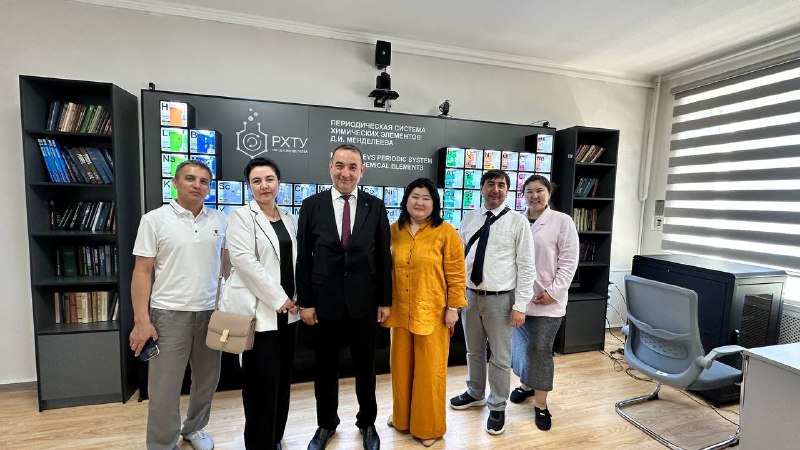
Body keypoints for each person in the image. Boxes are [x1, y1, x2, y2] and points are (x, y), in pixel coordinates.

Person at [296, 144, 392, 450]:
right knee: (325, 369)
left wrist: (385, 300)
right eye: (339, 165)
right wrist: (306, 302)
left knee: (366, 369)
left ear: (362, 170)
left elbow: (383, 258)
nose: (345, 173)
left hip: (364, 304)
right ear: (330, 167)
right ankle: (326, 424)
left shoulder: (375, 207)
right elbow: (304, 259)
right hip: (324, 304)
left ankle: (367, 423)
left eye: (352, 167)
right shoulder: (311, 206)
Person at [129, 160, 229, 450]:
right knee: (164, 387)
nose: (197, 185)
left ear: (209, 187)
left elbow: (226, 266)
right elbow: (142, 272)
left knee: (207, 380)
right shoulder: (154, 220)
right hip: (168, 314)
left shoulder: (220, 219)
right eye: (190, 178)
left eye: (204, 181)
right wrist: (142, 320)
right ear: (175, 182)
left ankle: (195, 428)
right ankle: (162, 443)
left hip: (211, 314)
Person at [449, 169, 536, 436]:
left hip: (501, 300)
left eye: (501, 185)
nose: (495, 189)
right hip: (470, 297)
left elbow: (527, 267)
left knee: (500, 356)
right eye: (490, 184)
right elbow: (460, 259)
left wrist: (520, 305)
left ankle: (497, 405)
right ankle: (475, 392)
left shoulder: (518, 222)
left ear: (507, 191)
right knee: (473, 351)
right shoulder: (470, 218)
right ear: (482, 188)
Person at [221, 157, 300, 450]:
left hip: (289, 313)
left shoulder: (290, 218)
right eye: (256, 181)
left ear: (279, 182)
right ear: (249, 186)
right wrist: (279, 299)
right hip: (259, 312)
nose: (264, 186)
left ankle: (275, 435)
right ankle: (258, 443)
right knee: (260, 383)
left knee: (282, 379)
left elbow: (296, 263)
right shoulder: (240, 217)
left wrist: (295, 300)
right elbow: (245, 263)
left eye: (269, 179)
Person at [384, 178, 466, 447]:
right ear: (406, 200)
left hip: (433, 313)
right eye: (415, 197)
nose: (419, 202)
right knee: (401, 369)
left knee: (430, 373)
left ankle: (428, 426)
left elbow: (456, 274)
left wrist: (453, 308)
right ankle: (402, 417)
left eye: (426, 198)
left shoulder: (446, 232)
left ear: (435, 203)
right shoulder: (393, 230)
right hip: (400, 313)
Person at [510, 174, 578, 431]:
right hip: (519, 299)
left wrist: (554, 292)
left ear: (549, 193)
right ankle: (526, 385)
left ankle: (541, 404)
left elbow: (569, 262)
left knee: (540, 348)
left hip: (548, 300)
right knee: (522, 347)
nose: (534, 195)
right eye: (528, 191)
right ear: (523, 195)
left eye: (539, 190)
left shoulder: (562, 221)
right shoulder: (516, 220)